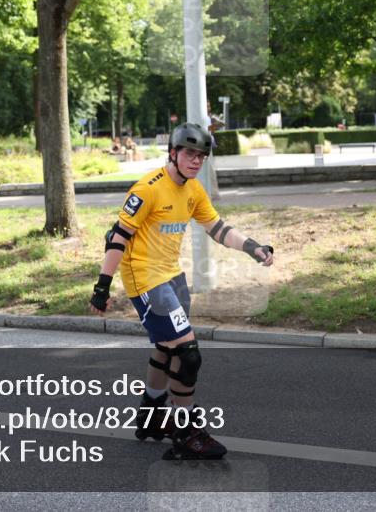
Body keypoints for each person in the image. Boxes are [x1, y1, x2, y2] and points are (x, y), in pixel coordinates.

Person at [89, 122, 274, 460]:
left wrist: (252, 246)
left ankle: (152, 414)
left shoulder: (193, 190)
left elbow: (217, 228)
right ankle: (185, 431)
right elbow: (118, 237)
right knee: (188, 353)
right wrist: (102, 286)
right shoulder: (147, 189)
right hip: (145, 279)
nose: (196, 160)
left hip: (172, 276)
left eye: (201, 155)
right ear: (173, 153)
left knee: (166, 347)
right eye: (189, 153)